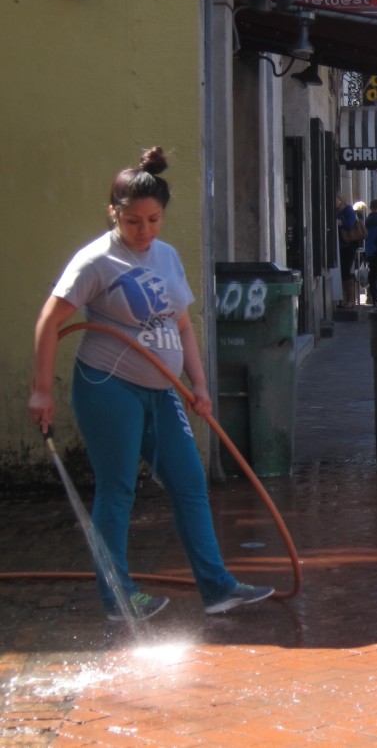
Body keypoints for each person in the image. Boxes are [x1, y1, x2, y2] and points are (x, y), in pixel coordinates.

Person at [27, 147, 275, 622]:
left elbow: (183, 325)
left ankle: (218, 588)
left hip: (162, 390)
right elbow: (48, 322)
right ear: (113, 213)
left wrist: (199, 385)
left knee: (189, 484)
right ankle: (119, 598)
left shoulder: (167, 256)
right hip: (108, 385)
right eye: (133, 221)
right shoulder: (95, 261)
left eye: (154, 220)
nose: (144, 231)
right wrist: (41, 390)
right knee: (118, 488)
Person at [336, 196, 364, 308]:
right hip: (341, 245)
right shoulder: (337, 210)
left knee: (346, 272)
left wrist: (340, 222)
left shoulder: (348, 209)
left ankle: (350, 300)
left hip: (348, 245)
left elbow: (350, 223)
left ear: (340, 199)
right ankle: (343, 299)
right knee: (342, 272)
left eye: (335, 199)